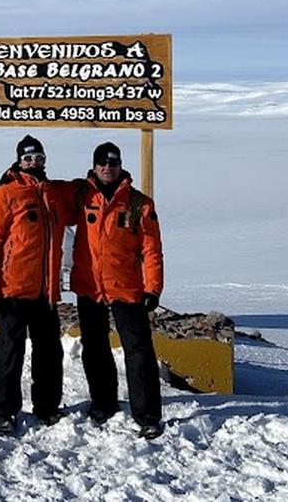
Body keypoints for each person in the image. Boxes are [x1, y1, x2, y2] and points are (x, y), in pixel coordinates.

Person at [0, 134, 75, 436]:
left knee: (50, 352)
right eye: (28, 158)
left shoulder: (52, 193)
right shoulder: (6, 194)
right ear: (19, 161)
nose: (34, 162)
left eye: (39, 158)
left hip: (45, 291)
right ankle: (4, 412)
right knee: (10, 353)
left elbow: (81, 196)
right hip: (13, 288)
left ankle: (47, 407)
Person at [71, 141, 165, 439]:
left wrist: (153, 288)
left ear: (121, 165)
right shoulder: (81, 195)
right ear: (94, 165)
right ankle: (103, 402)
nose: (107, 168)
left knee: (138, 351)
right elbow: (47, 202)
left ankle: (147, 414)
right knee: (94, 347)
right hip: (90, 286)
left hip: (126, 287)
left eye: (113, 163)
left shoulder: (138, 203)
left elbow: (151, 250)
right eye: (102, 162)